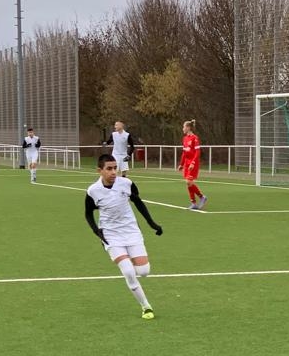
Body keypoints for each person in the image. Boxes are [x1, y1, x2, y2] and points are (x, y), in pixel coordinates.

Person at [85, 154, 164, 320]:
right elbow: (88, 213)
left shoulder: (126, 183)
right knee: (128, 271)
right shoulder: (93, 191)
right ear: (100, 171)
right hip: (110, 235)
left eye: (115, 168)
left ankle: (130, 263)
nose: (113, 172)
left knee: (144, 272)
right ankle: (146, 306)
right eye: (109, 169)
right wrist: (96, 231)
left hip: (131, 231)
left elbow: (138, 202)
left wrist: (152, 223)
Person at [180, 119, 207, 210]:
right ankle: (194, 203)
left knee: (189, 181)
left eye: (183, 127)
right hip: (187, 163)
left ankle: (202, 197)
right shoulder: (184, 139)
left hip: (193, 163)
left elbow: (197, 152)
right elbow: (184, 153)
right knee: (189, 183)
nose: (183, 128)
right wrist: (181, 164)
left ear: (188, 127)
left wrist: (193, 162)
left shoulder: (195, 138)